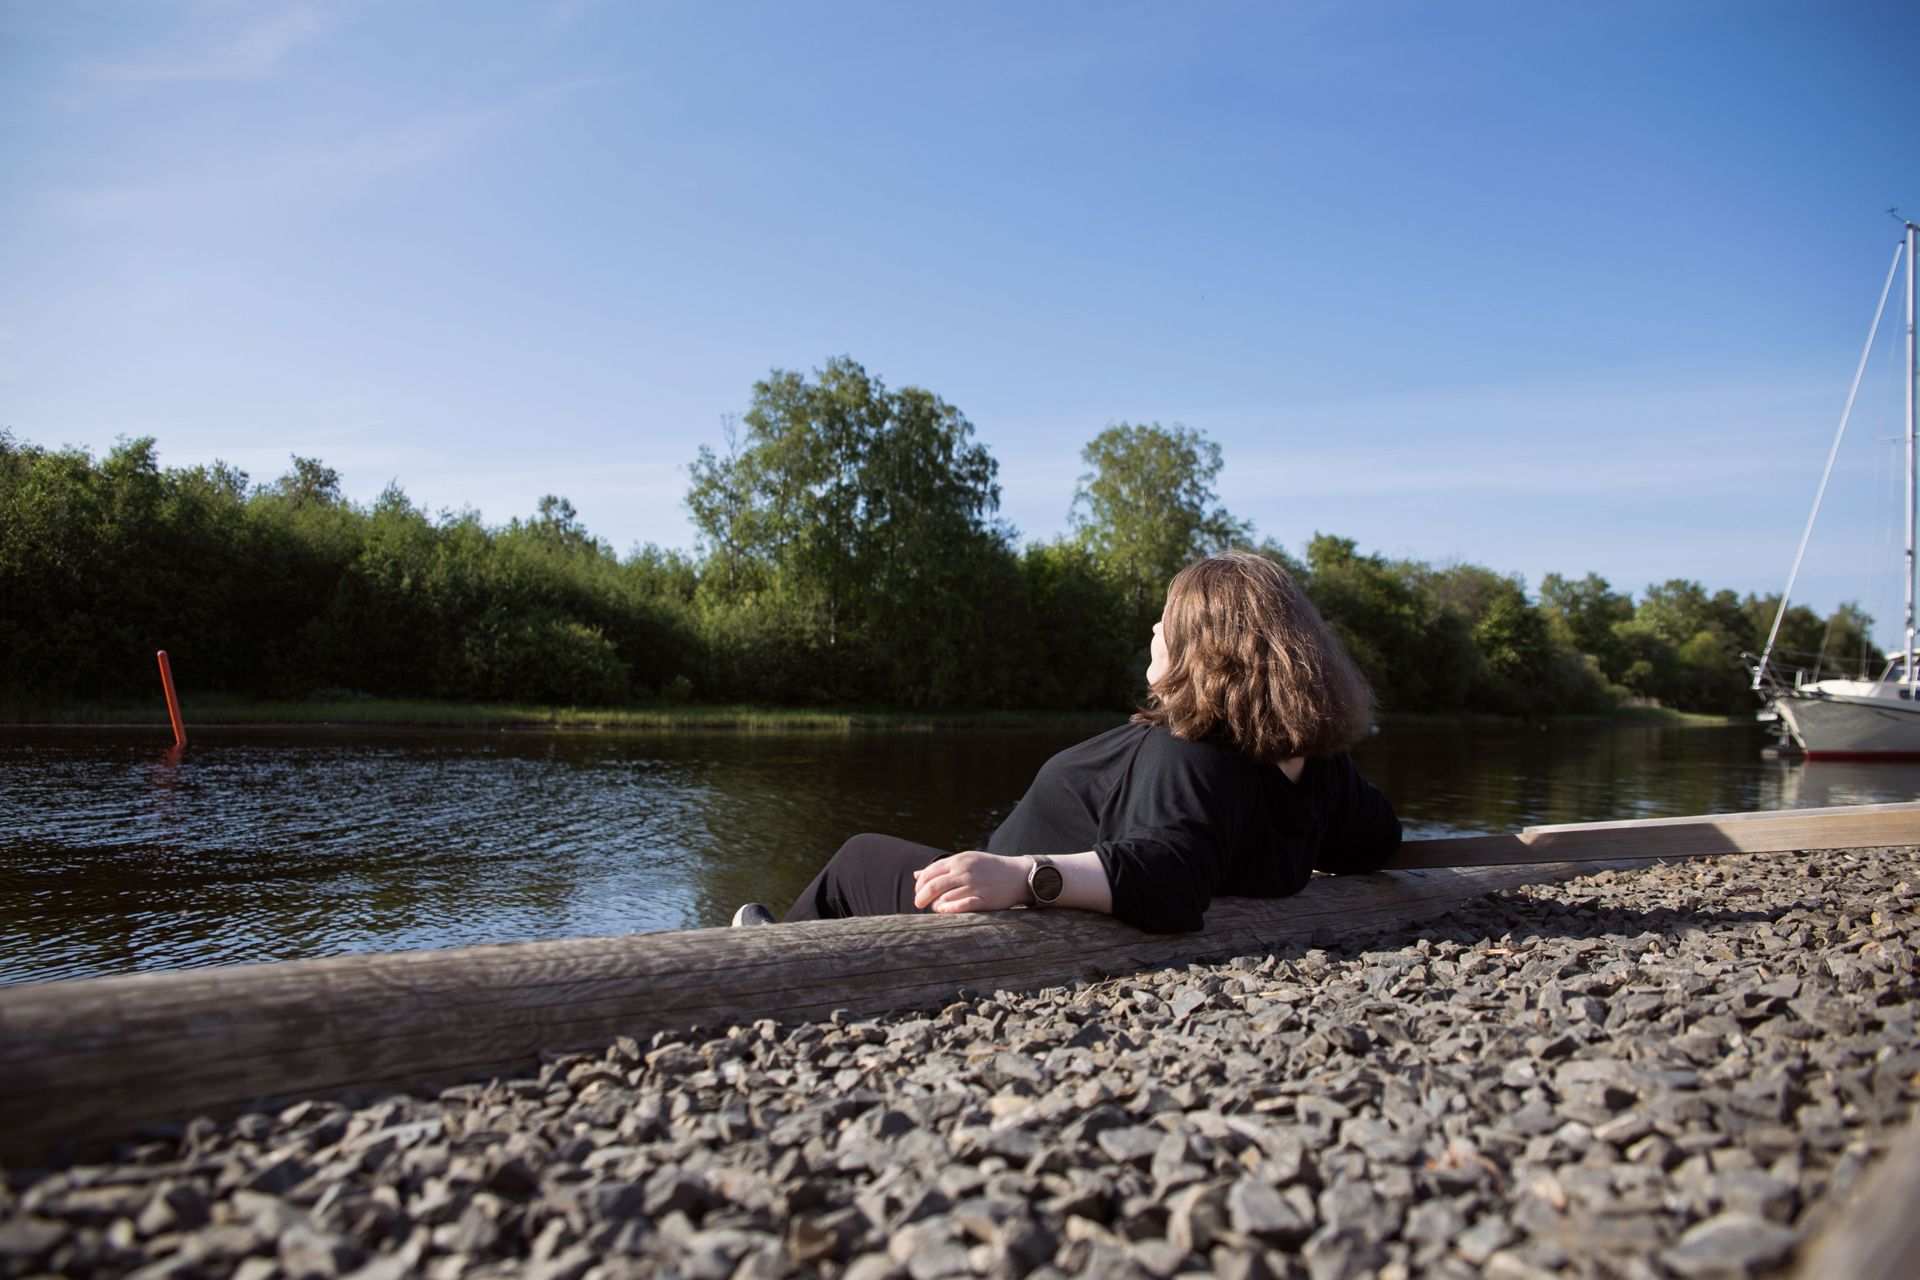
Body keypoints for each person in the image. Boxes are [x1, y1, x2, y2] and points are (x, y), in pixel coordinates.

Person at [732, 551, 1401, 934]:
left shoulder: (1190, 753)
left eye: (1167, 620)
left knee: (857, 859)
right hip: (1007, 891)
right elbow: (1376, 841)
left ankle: (768, 958)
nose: (1154, 628)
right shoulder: (1313, 768)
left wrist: (1023, 877)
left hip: (996, 909)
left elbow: (1171, 875)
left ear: (1206, 649)